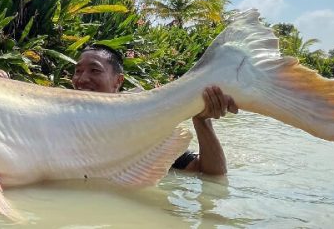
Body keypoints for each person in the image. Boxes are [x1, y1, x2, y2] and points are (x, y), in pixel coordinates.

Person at [72, 44, 237, 175]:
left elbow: (211, 174)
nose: (82, 79)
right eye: (78, 71)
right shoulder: (65, 121)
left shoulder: (141, 124)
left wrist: (202, 121)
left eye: (95, 70)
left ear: (118, 81)